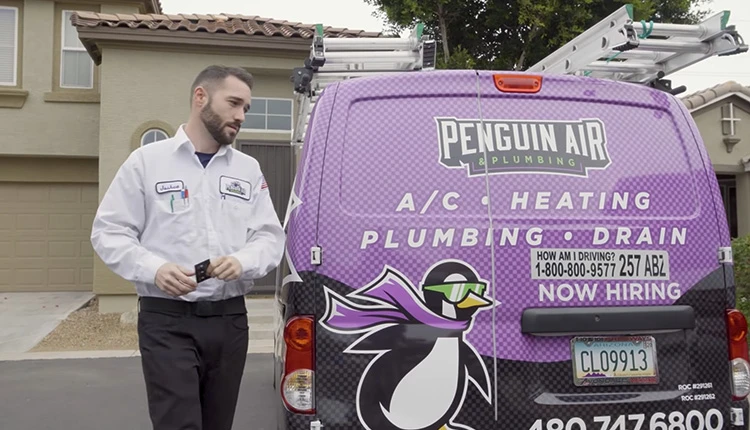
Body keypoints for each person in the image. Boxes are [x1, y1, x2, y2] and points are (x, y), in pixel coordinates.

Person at [90, 65, 286, 430]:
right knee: (179, 424)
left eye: (246, 108)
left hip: (229, 321)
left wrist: (242, 261)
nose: (241, 116)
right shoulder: (147, 162)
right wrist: (154, 269)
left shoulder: (247, 169)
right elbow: (109, 231)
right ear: (200, 97)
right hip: (166, 320)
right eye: (233, 103)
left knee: (217, 424)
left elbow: (269, 236)